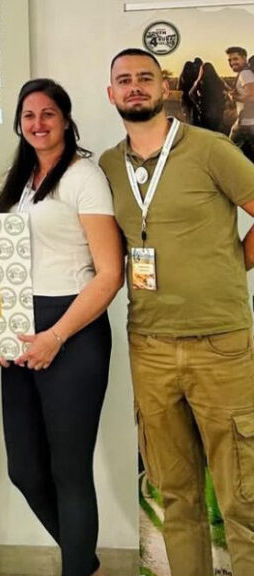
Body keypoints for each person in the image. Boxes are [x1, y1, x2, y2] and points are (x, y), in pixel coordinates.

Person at [100, 48, 254, 576]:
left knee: (243, 500)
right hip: (150, 346)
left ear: (164, 87)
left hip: (221, 344)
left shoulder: (210, 149)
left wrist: (236, 261)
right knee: (176, 497)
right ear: (111, 93)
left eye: (145, 77)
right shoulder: (108, 166)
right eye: (124, 80)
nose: (135, 86)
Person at [0, 79, 123, 576]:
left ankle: (76, 569)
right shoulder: (20, 181)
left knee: (69, 471)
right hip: (22, 328)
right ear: (19, 124)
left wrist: (57, 335)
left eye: (48, 113)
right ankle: (85, 564)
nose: (38, 123)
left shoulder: (84, 176)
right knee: (24, 470)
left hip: (73, 329)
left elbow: (109, 274)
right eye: (28, 115)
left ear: (66, 120)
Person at [226, 46, 254, 160]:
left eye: (235, 59)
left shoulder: (245, 74)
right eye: (230, 60)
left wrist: (234, 97)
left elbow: (252, 96)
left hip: (246, 124)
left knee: (229, 153)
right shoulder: (249, 73)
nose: (232, 63)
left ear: (244, 58)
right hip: (248, 122)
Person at [187, 62, 229, 133]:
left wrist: (197, 103)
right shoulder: (219, 81)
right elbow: (229, 91)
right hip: (217, 109)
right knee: (216, 130)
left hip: (205, 108)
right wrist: (224, 100)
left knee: (206, 131)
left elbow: (191, 93)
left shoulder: (200, 81)